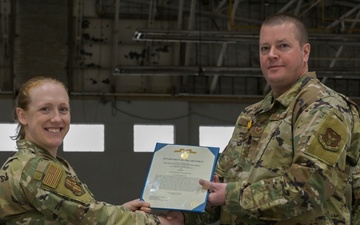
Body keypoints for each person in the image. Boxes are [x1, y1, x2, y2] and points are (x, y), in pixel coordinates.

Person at [166, 13, 360, 224]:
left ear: (305, 52)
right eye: (264, 48)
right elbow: (219, 185)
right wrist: (185, 215)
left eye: (283, 46)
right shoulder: (252, 115)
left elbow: (311, 185)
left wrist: (231, 196)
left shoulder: (323, 107)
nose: (272, 55)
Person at [0, 76, 182, 225]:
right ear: (22, 115)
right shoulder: (37, 168)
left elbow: (75, 213)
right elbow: (90, 216)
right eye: (45, 109)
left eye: (63, 109)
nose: (56, 118)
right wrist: (159, 222)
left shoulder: (24, 163)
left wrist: (121, 211)